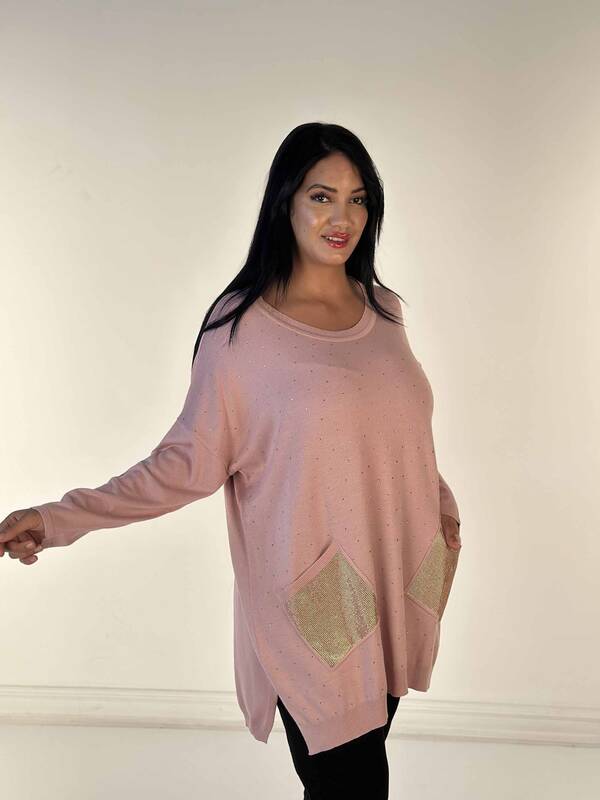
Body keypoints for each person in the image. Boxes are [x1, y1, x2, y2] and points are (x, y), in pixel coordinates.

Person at [1, 122, 462, 799]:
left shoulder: (384, 311)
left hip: (397, 580)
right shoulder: (242, 328)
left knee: (358, 779)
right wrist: (56, 518)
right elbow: (185, 462)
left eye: (358, 199)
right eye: (321, 196)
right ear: (285, 202)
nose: (342, 217)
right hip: (319, 599)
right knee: (353, 784)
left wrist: (442, 519)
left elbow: (400, 437)